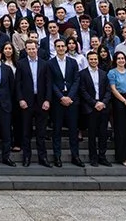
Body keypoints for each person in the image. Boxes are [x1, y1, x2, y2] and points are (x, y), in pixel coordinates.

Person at [47, 38, 83, 167]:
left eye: (63, 46)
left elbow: (76, 80)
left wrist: (69, 97)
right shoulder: (50, 63)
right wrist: (61, 97)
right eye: (58, 46)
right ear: (55, 48)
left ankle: (75, 156)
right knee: (57, 130)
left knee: (73, 130)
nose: (61, 48)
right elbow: (51, 83)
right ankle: (57, 157)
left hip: (72, 100)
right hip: (58, 101)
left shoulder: (73, 62)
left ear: (66, 47)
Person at [15, 39, 50, 167]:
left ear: (37, 48)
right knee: (26, 132)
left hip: (41, 102)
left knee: (41, 132)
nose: (31, 51)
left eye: (33, 48)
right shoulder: (21, 64)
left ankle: (43, 157)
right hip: (27, 102)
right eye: (29, 49)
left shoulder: (45, 64)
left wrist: (47, 100)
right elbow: (18, 84)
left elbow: (48, 83)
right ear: (26, 50)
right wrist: (20, 99)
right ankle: (26, 157)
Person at [79, 50, 111, 166]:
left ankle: (102, 156)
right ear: (88, 60)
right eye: (91, 59)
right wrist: (94, 103)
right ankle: (93, 158)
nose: (93, 61)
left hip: (103, 107)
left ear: (98, 60)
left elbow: (108, 90)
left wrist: (103, 103)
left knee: (103, 134)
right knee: (92, 134)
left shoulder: (103, 73)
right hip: (91, 108)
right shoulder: (82, 74)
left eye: (95, 59)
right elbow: (82, 91)